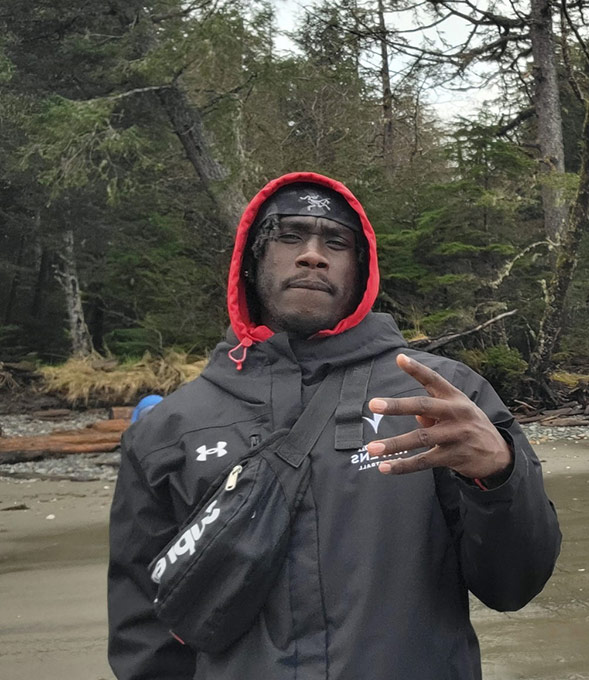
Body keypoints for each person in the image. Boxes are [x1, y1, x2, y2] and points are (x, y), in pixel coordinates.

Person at [108, 172, 561, 679]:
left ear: (360, 268)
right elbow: (145, 633)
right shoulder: (169, 428)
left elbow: (514, 585)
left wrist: (498, 474)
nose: (312, 255)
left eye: (335, 241)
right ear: (253, 259)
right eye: (290, 236)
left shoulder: (440, 395)